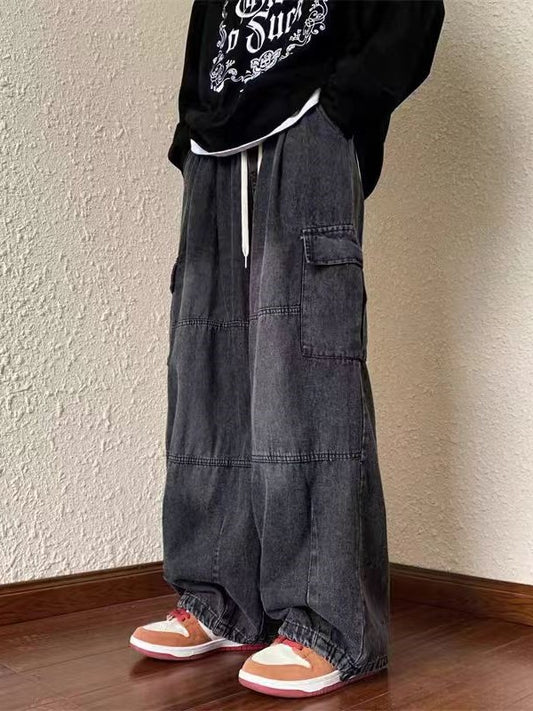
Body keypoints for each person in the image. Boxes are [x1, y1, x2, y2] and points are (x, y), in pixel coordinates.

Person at [130, 0, 445, 699]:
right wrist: (191, 131)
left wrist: (339, 110)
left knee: (306, 375)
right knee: (206, 377)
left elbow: (414, 12)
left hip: (307, 129)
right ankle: (219, 598)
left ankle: (326, 623)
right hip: (216, 150)